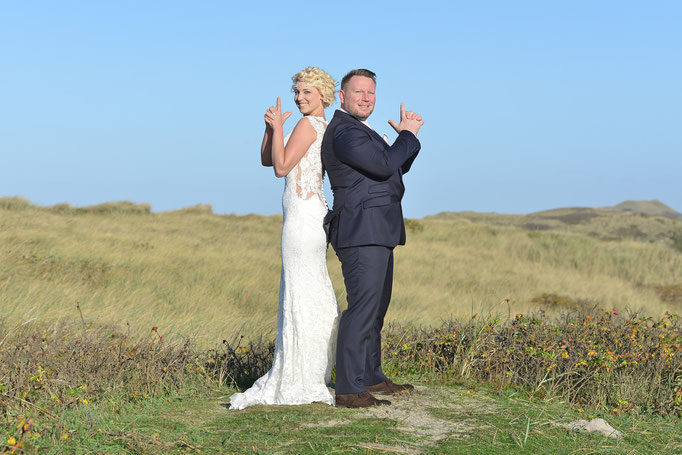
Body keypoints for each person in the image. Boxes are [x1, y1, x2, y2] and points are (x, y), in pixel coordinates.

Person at [229, 67, 340, 410]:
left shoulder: (308, 125)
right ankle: (311, 369)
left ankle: (300, 375)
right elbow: (269, 159)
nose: (299, 98)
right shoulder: (321, 125)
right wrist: (270, 129)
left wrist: (279, 127)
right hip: (307, 213)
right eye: (297, 92)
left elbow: (280, 168)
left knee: (300, 289)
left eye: (307, 92)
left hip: (303, 219)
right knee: (308, 287)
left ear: (323, 94)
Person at [321, 69, 424, 408]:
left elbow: (392, 166)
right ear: (342, 96)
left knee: (376, 309)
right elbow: (383, 166)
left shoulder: (361, 131)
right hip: (359, 229)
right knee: (362, 309)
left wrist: (404, 142)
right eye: (359, 92)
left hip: (378, 229)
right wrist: (407, 137)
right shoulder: (344, 132)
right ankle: (349, 388)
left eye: (371, 93)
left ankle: (371, 376)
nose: (366, 98)